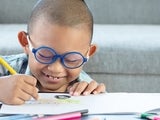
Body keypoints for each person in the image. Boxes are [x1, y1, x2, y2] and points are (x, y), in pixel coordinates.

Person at [0, 0, 105, 105]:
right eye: (45, 55)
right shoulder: (4, 69)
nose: (55, 69)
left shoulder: (85, 89)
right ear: (26, 43)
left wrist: (98, 100)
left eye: (71, 59)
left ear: (88, 53)